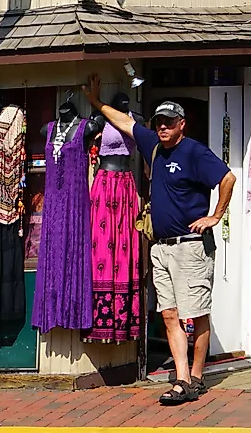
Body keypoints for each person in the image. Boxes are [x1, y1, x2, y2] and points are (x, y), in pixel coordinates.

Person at [83, 95, 235, 406]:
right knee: (169, 314)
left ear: (182, 125)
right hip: (161, 247)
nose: (162, 127)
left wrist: (215, 216)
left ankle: (195, 376)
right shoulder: (153, 144)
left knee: (197, 313)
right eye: (159, 122)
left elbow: (227, 178)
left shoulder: (194, 151)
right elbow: (125, 123)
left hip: (190, 247)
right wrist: (96, 102)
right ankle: (182, 379)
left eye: (168, 122)